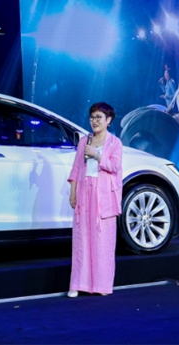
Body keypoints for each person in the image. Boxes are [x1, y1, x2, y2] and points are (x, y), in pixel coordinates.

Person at [67, 102, 123, 297]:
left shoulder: (115, 143)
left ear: (108, 120)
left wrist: (97, 155)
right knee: (81, 239)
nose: (94, 121)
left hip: (104, 195)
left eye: (99, 117)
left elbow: (115, 167)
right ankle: (77, 284)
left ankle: (102, 285)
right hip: (85, 191)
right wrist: (73, 190)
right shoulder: (85, 140)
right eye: (92, 117)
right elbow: (76, 167)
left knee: (103, 241)